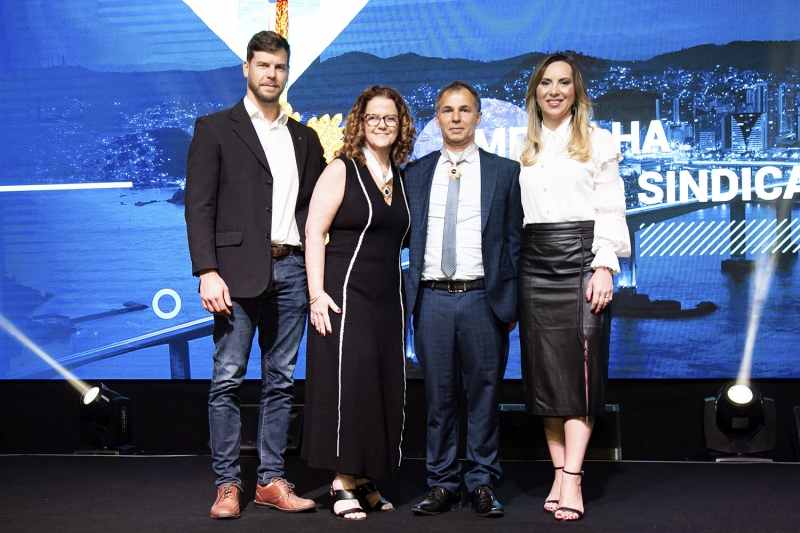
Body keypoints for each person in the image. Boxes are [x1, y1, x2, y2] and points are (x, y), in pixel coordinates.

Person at [184, 30, 326, 519]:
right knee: (227, 378)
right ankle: (228, 484)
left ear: (288, 73)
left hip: (292, 267)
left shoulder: (304, 138)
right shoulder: (215, 128)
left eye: (280, 66)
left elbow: (319, 208)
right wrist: (206, 270)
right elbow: (198, 206)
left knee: (281, 380)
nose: (272, 74)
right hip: (235, 272)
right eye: (263, 65)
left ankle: (269, 481)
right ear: (246, 68)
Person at [512, 53, 631, 521]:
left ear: (576, 91)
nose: (555, 90)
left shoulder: (599, 141)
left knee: (580, 376)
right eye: (546, 83)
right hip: (534, 261)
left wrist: (605, 266)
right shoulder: (523, 144)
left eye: (564, 83)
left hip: (583, 258)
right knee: (545, 377)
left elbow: (612, 207)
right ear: (535, 91)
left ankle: (574, 481)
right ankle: (558, 474)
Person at [404, 81, 523, 518]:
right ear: (436, 118)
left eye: (465, 110)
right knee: (438, 398)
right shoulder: (414, 174)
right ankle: (441, 483)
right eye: (447, 110)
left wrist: (510, 304)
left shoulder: (505, 173)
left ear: (478, 117)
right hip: (432, 298)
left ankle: (481, 482)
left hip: (482, 299)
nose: (456, 117)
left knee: (485, 396)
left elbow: (515, 243)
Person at [301, 85, 416, 521]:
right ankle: (341, 480)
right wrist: (316, 293)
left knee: (379, 386)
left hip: (388, 297)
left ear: (400, 124)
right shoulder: (341, 169)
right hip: (344, 293)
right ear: (360, 124)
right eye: (374, 118)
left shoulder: (401, 178)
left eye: (390, 118)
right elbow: (314, 231)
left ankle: (365, 477)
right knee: (348, 386)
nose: (382, 125)